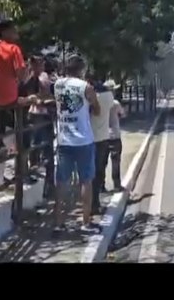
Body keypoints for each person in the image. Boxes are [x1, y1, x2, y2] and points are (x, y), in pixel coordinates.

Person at [0, 20, 35, 185]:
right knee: (19, 138)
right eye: (13, 30)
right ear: (4, 32)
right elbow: (21, 75)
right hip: (8, 99)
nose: (16, 34)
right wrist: (25, 74)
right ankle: (19, 173)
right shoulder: (13, 49)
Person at [53, 55, 100, 234]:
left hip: (64, 140)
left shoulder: (58, 85)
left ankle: (58, 223)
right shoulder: (85, 87)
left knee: (62, 183)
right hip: (83, 140)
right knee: (86, 182)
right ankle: (85, 222)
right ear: (81, 69)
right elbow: (97, 110)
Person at [23, 55, 55, 194]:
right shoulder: (35, 77)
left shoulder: (42, 77)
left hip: (39, 113)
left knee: (39, 147)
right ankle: (46, 181)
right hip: (38, 113)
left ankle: (46, 181)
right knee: (40, 147)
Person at [89, 74, 115, 214]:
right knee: (99, 172)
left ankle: (90, 204)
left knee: (89, 174)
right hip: (103, 139)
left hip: (88, 139)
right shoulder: (109, 96)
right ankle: (95, 203)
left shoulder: (89, 98)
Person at [106, 80, 125, 192]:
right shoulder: (115, 103)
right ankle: (117, 185)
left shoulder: (100, 101)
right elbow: (122, 114)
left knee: (102, 163)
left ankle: (101, 186)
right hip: (115, 135)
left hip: (103, 136)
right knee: (115, 162)